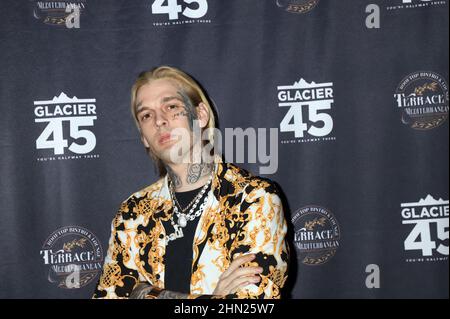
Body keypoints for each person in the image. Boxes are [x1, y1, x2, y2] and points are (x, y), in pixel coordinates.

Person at [92, 66, 289, 299]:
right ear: (144, 137)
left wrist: (143, 292)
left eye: (172, 107)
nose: (159, 121)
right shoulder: (132, 213)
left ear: (201, 115)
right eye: (146, 115)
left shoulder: (253, 198)